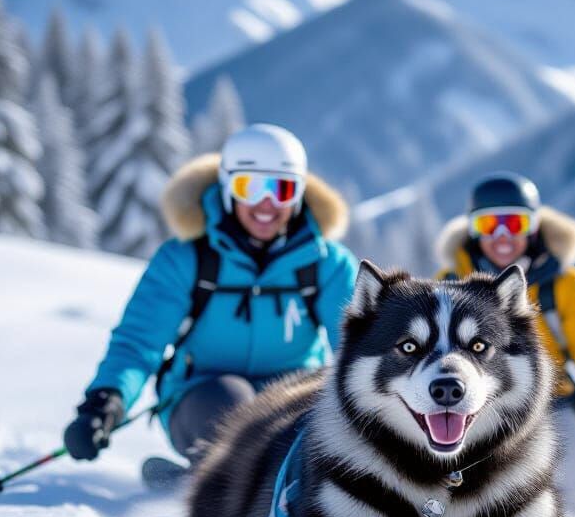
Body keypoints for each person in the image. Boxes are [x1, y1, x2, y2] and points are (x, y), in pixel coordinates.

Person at [63, 124, 358, 488]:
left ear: (298, 194)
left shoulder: (327, 265)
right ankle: (210, 500)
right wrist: (105, 401)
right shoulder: (186, 258)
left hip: (293, 394)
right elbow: (139, 343)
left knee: (298, 426)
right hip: (204, 395)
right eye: (250, 187)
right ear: (228, 187)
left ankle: (301, 501)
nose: (266, 204)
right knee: (231, 408)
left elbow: (357, 347)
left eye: (281, 189)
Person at [436, 172, 575, 505]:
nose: (502, 236)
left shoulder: (562, 283)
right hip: (479, 407)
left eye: (514, 223)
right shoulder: (451, 284)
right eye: (487, 225)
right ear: (472, 230)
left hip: (557, 403)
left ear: (533, 226)